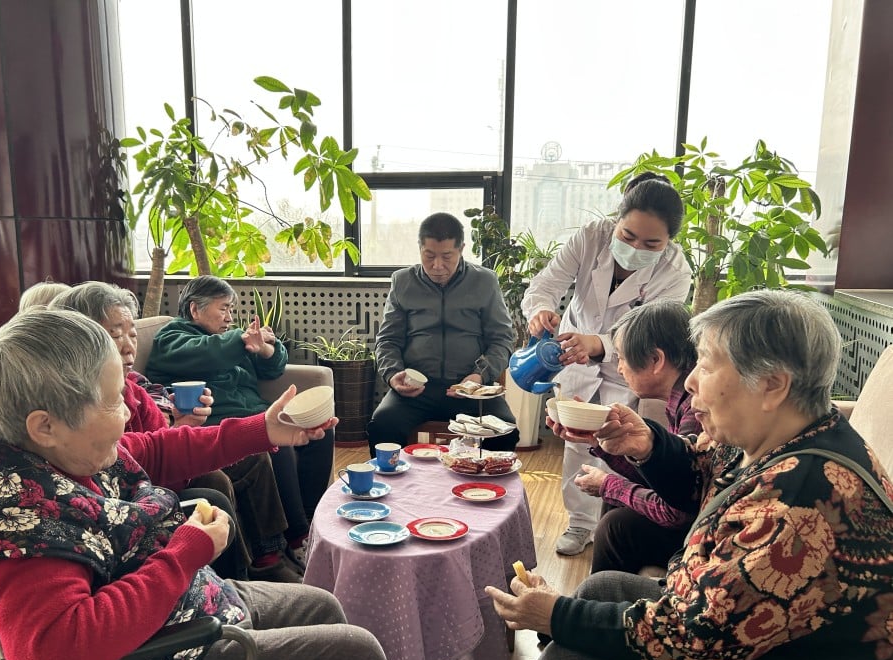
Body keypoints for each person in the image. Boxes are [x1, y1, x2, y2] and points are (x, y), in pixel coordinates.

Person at [0, 309, 388, 660]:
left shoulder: (43, 447)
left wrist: (264, 429)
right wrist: (184, 554)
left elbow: (152, 448)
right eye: (115, 401)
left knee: (322, 604)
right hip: (160, 658)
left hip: (184, 606)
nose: (129, 411)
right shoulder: (15, 515)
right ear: (45, 424)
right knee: (358, 653)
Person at [487, 290, 893, 660]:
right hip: (726, 619)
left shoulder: (800, 508)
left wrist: (554, 615)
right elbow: (702, 473)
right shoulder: (784, 435)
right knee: (602, 587)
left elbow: (693, 638)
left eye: (707, 365)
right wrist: (645, 445)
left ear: (772, 385)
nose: (692, 381)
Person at [521, 172, 693, 555]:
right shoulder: (591, 237)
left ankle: (612, 521)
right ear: (618, 219)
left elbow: (651, 336)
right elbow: (545, 284)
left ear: (668, 241)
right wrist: (541, 311)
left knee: (615, 439)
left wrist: (598, 344)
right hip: (572, 357)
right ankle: (580, 524)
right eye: (628, 236)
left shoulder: (675, 271)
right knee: (575, 442)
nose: (636, 247)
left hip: (624, 365)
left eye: (651, 243)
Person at [49, 281, 253, 580]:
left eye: (132, 334)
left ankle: (249, 572)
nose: (128, 345)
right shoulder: (68, 410)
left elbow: (160, 454)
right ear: (76, 342)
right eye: (114, 335)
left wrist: (183, 427)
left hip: (142, 496)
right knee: (213, 495)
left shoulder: (137, 393)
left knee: (223, 478)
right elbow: (124, 469)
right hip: (110, 520)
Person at [145, 276, 333, 566]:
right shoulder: (171, 338)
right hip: (218, 425)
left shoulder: (229, 340)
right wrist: (242, 339)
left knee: (319, 429)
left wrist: (266, 347)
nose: (230, 317)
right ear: (195, 310)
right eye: (223, 309)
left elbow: (273, 368)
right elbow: (209, 351)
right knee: (276, 442)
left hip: (255, 413)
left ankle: (313, 520)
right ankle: (298, 537)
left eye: (232, 309)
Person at [367, 211, 519, 452]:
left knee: (505, 429)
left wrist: (479, 376)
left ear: (461, 249)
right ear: (420, 249)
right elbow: (387, 340)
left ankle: (488, 489)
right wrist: (393, 373)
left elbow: (502, 339)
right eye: (429, 256)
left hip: (470, 390)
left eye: (447, 256)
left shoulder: (485, 281)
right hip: (416, 391)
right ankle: (393, 488)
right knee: (382, 424)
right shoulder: (403, 281)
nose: (437, 266)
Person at [576, 300, 698, 575]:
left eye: (621, 357)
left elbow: (676, 510)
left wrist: (608, 484)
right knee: (614, 499)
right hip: (691, 512)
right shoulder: (679, 400)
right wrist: (598, 442)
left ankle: (592, 610)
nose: (619, 368)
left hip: (699, 530)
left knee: (617, 526)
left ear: (656, 360)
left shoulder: (698, 408)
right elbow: (667, 477)